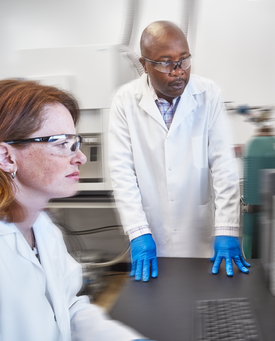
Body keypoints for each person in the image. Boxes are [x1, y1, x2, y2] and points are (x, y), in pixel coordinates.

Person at [0, 79, 145, 341]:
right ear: (6, 158)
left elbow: (67, 309)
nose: (80, 157)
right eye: (62, 143)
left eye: (75, 142)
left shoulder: (42, 228)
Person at [109, 21, 250, 282]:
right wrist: (138, 232)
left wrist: (227, 228)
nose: (178, 72)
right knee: (159, 306)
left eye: (184, 60)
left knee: (206, 297)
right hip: (153, 230)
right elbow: (122, 173)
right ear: (144, 64)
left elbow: (223, 166)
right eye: (165, 63)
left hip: (200, 232)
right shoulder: (124, 101)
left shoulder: (208, 94)